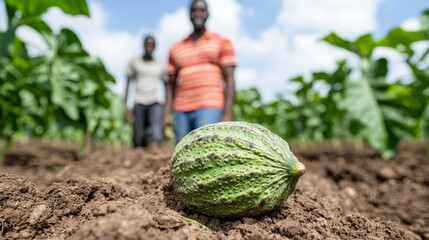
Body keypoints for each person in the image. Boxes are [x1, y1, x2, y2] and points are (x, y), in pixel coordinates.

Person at [163, 0, 237, 143]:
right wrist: (166, 114)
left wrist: (227, 114)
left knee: (206, 149)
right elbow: (169, 85)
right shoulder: (176, 48)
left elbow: (230, 79)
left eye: (202, 10)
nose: (198, 13)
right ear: (189, 14)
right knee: (183, 153)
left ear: (208, 14)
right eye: (194, 10)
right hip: (181, 109)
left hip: (210, 105)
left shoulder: (222, 42)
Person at [124, 35, 168, 148]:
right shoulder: (134, 62)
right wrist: (126, 106)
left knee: (155, 132)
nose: (149, 46)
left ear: (155, 47)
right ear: (143, 45)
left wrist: (167, 108)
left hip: (155, 101)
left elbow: (166, 85)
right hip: (139, 100)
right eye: (147, 44)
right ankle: (140, 157)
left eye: (152, 44)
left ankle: (154, 155)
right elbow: (128, 83)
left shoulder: (160, 65)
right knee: (138, 135)